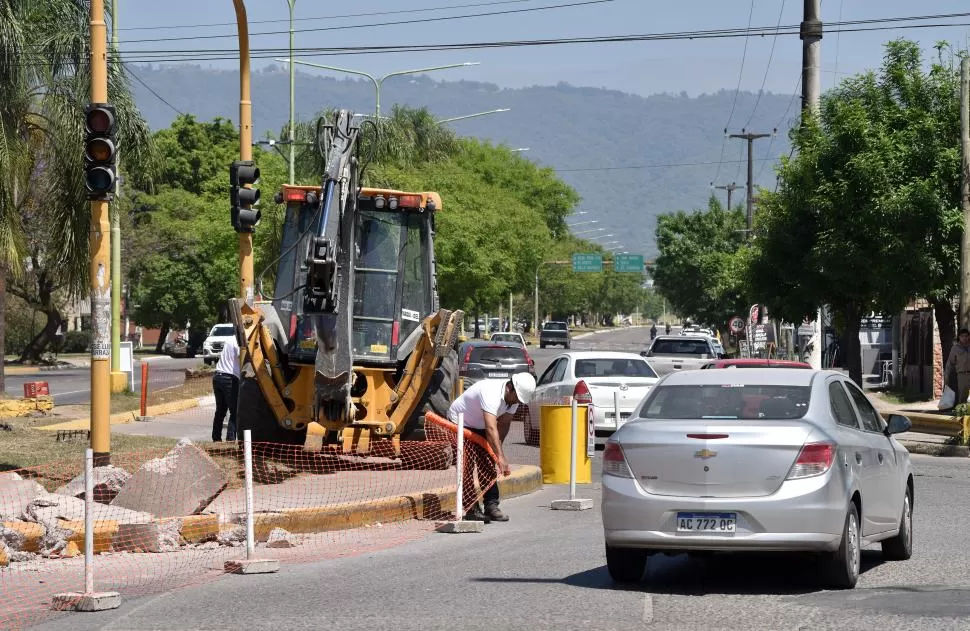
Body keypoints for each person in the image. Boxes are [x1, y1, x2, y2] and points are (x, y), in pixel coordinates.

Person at [447, 372, 536, 523]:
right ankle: (470, 508)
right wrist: (501, 457)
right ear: (510, 388)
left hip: (482, 426)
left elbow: (504, 423)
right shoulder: (490, 392)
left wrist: (496, 451)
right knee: (466, 465)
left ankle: (491, 506)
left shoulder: (513, 400)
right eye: (516, 399)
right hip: (460, 423)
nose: (517, 403)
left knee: (488, 464)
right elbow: (491, 427)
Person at [211, 333, 240, 442]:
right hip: (229, 378)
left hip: (217, 376)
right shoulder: (239, 341)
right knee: (235, 411)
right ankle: (230, 439)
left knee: (220, 410)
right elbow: (242, 357)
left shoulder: (230, 338)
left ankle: (216, 438)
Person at [945, 328, 970, 409]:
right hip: (962, 375)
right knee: (962, 396)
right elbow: (950, 363)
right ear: (959, 337)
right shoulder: (955, 348)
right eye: (962, 336)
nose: (964, 338)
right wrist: (947, 377)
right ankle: (961, 414)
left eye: (966, 336)